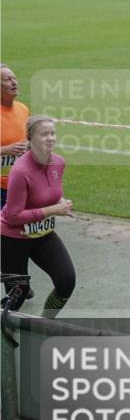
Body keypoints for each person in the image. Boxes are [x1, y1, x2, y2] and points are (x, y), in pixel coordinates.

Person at [0, 116, 76, 317]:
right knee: (18, 294)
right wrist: (53, 210)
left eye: (52, 133)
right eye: (44, 134)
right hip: (12, 238)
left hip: (42, 234)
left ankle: (44, 323)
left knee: (66, 281)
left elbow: (50, 192)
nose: (50, 138)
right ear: (30, 138)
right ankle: (5, 326)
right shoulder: (20, 171)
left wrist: (61, 201)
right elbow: (13, 216)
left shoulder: (58, 162)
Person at [1, 64, 34, 301]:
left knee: (22, 238)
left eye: (14, 77)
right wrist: (5, 150)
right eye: (7, 79)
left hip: (20, 188)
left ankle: (20, 283)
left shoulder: (23, 110)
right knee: (7, 241)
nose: (14, 82)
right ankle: (14, 290)